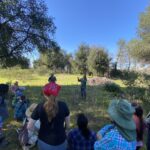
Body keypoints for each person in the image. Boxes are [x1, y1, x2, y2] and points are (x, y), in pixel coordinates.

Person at [27, 82, 70, 150]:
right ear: (57, 94)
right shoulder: (64, 105)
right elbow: (68, 126)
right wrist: (66, 131)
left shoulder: (40, 107)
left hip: (44, 142)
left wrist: (37, 131)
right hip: (61, 142)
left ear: (44, 94)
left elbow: (29, 126)